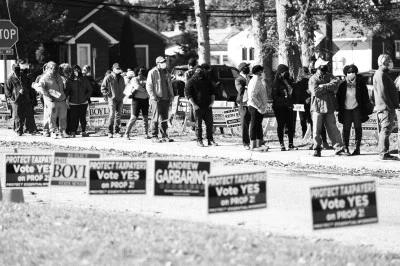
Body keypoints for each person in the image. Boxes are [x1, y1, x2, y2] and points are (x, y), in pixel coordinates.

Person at [308, 58, 346, 157]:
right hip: (317, 108)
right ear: (318, 67)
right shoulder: (313, 79)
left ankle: (339, 148)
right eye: (323, 65)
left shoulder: (330, 76)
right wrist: (329, 89)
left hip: (329, 106)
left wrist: (323, 86)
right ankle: (317, 148)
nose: (326, 67)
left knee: (333, 128)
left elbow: (336, 84)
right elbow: (316, 92)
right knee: (317, 129)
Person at [337, 64, 371, 155]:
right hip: (346, 109)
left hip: (357, 109)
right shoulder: (342, 84)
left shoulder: (360, 83)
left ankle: (357, 148)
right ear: (345, 74)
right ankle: (346, 147)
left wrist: (365, 109)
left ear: (356, 73)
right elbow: (338, 98)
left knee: (358, 128)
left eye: (353, 72)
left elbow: (365, 97)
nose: (351, 74)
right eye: (348, 72)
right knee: (346, 129)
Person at [371, 54, 400, 160]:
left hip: (386, 107)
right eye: (389, 61)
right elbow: (383, 93)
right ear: (384, 62)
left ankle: (385, 153)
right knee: (385, 130)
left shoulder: (383, 74)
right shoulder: (380, 75)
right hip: (385, 108)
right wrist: (391, 107)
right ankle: (383, 153)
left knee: (385, 130)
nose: (391, 63)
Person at [185, 65, 218, 147]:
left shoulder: (207, 80)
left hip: (207, 106)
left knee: (209, 124)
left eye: (201, 71)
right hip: (197, 107)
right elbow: (188, 95)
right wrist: (194, 105)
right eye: (198, 71)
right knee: (198, 125)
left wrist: (212, 103)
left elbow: (212, 92)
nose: (200, 72)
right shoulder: (190, 81)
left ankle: (210, 140)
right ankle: (199, 140)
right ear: (195, 71)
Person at [36, 61, 68, 138]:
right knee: (51, 116)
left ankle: (62, 130)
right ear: (49, 68)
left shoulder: (59, 76)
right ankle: (52, 131)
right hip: (51, 100)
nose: (56, 70)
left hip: (61, 100)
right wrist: (47, 95)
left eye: (57, 68)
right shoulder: (45, 77)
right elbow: (39, 87)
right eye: (54, 68)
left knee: (63, 116)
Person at [146, 56, 175, 143]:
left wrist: (171, 95)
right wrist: (153, 96)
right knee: (155, 118)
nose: (164, 63)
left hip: (166, 98)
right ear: (157, 63)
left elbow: (169, 85)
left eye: (164, 62)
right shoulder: (152, 72)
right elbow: (149, 86)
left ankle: (164, 135)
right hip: (156, 99)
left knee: (164, 118)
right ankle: (154, 136)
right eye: (162, 62)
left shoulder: (167, 72)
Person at [5, 63, 36, 136]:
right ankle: (19, 130)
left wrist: (30, 96)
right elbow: (7, 90)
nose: (17, 70)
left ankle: (31, 129)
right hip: (16, 100)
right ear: (13, 69)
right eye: (16, 69)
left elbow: (29, 86)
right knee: (17, 116)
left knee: (29, 114)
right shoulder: (10, 78)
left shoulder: (24, 76)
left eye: (18, 68)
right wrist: (13, 98)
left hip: (26, 98)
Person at [272, 64, 297, 151]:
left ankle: (291, 143)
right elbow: (275, 96)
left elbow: (293, 91)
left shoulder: (289, 80)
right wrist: (284, 99)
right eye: (284, 71)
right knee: (281, 125)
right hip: (280, 107)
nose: (286, 73)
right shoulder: (276, 82)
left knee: (290, 125)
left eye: (287, 71)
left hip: (289, 106)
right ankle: (281, 143)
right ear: (280, 72)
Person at [66, 65, 93, 138]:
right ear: (72, 71)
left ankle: (83, 131)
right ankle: (73, 131)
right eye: (75, 70)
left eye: (78, 70)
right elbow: (67, 92)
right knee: (73, 118)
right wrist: (66, 100)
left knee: (83, 118)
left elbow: (90, 90)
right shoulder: (69, 80)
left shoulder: (84, 79)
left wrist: (86, 97)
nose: (77, 71)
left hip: (83, 102)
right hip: (73, 102)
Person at [247, 65, 269, 152]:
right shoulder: (255, 80)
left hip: (259, 107)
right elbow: (252, 96)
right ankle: (253, 145)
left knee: (259, 125)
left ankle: (259, 144)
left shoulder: (259, 80)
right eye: (262, 71)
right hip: (255, 106)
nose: (263, 73)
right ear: (259, 72)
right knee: (254, 125)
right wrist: (259, 106)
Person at [124, 67, 150, 140]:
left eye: (143, 71)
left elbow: (149, 87)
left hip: (145, 100)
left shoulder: (146, 79)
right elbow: (137, 87)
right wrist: (145, 90)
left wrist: (145, 89)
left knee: (146, 118)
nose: (141, 72)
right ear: (137, 72)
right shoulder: (134, 79)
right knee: (134, 117)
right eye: (140, 71)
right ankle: (126, 133)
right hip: (136, 100)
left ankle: (146, 133)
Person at [101, 63, 126, 138]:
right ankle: (110, 131)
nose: (118, 70)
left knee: (118, 116)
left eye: (119, 68)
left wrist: (123, 95)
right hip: (112, 98)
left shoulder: (121, 78)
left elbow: (123, 87)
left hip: (120, 98)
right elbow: (103, 87)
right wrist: (107, 94)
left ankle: (117, 131)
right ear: (113, 69)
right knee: (112, 115)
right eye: (116, 68)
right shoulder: (108, 77)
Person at [235, 62, 251, 149]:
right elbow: (240, 89)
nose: (248, 68)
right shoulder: (238, 79)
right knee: (244, 123)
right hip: (243, 103)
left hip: (252, 103)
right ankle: (245, 143)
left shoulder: (251, 77)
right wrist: (247, 87)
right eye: (246, 67)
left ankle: (257, 141)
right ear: (242, 69)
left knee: (255, 123)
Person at [294, 66, 312, 138]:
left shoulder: (297, 82)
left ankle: (304, 133)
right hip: (307, 101)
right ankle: (311, 133)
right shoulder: (309, 80)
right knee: (309, 118)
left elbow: (298, 93)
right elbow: (309, 91)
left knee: (302, 119)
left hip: (300, 102)